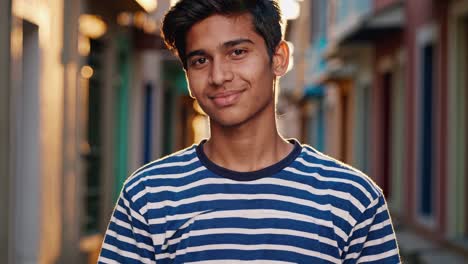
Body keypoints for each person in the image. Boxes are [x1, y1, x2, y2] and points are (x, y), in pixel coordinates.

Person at [98, 0, 401, 263]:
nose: (219, 76)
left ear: (278, 58)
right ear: (188, 76)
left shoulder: (351, 197)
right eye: (200, 60)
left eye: (238, 52)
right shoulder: (148, 195)